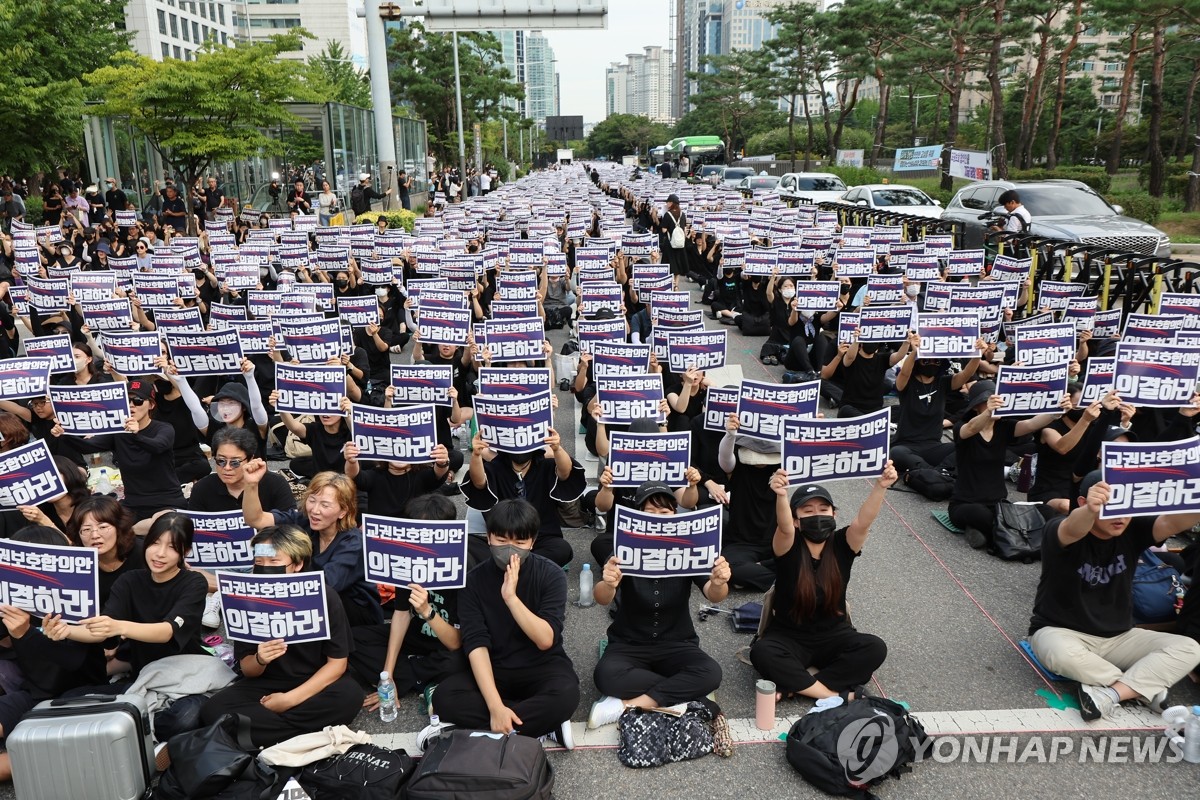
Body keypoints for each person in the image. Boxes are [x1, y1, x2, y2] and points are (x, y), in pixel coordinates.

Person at [1029, 471, 1200, 720]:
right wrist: (1091, 509)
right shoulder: (1059, 529)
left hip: (1120, 636)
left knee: (1190, 648)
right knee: (1058, 653)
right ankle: (1143, 688)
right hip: (1060, 631)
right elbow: (1072, 527)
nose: (1121, 516)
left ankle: (1112, 694)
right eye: (1111, 506)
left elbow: (1174, 522)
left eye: (1127, 507)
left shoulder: (1132, 529)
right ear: (1082, 503)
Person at [422, 500, 579, 750]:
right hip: (495, 668)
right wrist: (495, 706)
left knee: (566, 695)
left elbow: (545, 639)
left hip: (541, 665)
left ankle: (482, 730)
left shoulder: (551, 575)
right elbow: (475, 644)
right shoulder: (474, 580)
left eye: (519, 542)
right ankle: (539, 726)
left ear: (532, 542)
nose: (510, 548)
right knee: (445, 697)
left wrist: (511, 598)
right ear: (488, 537)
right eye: (502, 540)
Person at [44, 513, 212, 739]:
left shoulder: (193, 582)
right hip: (144, 677)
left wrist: (119, 626)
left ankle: (148, 730)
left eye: (172, 547)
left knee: (183, 718)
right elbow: (103, 628)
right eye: (154, 543)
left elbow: (166, 631)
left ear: (186, 552)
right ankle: (145, 726)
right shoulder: (130, 581)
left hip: (187, 676)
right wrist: (66, 630)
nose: (160, 553)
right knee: (68, 699)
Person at [197, 525, 362, 747]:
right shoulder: (245, 598)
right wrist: (260, 659)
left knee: (350, 696)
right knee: (213, 709)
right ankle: (301, 735)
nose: (265, 569)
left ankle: (253, 733)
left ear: (297, 564)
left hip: (315, 681)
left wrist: (289, 700)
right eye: (259, 563)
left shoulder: (324, 596)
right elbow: (247, 669)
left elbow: (337, 664)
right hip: (267, 684)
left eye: (274, 563)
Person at [586, 481, 730, 728]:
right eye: (649, 513)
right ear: (638, 517)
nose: (658, 519)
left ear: (675, 516)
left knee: (711, 672)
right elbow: (602, 598)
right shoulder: (624, 548)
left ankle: (626, 706)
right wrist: (608, 583)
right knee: (605, 675)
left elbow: (714, 595)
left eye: (665, 513)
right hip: (629, 644)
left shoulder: (689, 548)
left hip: (677, 643)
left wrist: (718, 581)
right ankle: (680, 692)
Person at [749, 465, 897, 702]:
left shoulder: (843, 544)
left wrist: (881, 486)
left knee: (874, 648)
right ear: (797, 520)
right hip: (789, 635)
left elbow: (863, 522)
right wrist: (781, 494)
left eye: (823, 509)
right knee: (763, 653)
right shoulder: (788, 544)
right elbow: (784, 527)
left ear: (834, 515)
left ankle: (795, 687)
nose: (816, 515)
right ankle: (835, 695)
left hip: (834, 634)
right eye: (807, 510)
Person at [0, 526, 110, 782]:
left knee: (23, 761)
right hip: (33, 693)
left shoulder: (83, 601)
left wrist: (26, 633)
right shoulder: (12, 601)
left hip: (80, 698)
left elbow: (71, 664)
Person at [351, 494, 466, 709]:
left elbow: (456, 642)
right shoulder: (409, 559)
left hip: (447, 642)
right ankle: (419, 678)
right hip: (417, 636)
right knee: (352, 641)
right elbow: (401, 614)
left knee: (461, 661)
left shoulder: (463, 568)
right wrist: (388, 675)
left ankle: (413, 675)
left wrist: (427, 611)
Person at [241, 462, 383, 626]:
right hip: (315, 598)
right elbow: (256, 519)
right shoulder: (305, 520)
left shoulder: (354, 543)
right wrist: (251, 484)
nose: (315, 510)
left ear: (343, 511)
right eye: (312, 500)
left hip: (354, 612)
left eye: (325, 505)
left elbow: (325, 586)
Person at [950, 380, 1066, 550]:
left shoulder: (1004, 427)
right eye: (988, 401)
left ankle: (993, 535)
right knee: (980, 514)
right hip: (965, 504)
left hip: (998, 505)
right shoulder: (963, 427)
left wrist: (1056, 411)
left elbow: (1030, 424)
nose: (995, 404)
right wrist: (988, 412)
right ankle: (1015, 539)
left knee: (1046, 512)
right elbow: (971, 428)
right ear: (976, 406)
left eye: (998, 400)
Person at [53, 379, 186, 521]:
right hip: (133, 504)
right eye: (126, 401)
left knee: (159, 524)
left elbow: (158, 446)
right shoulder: (118, 432)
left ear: (151, 405)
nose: (131, 405)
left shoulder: (164, 428)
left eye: (138, 401)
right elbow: (87, 447)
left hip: (166, 501)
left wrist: (136, 436)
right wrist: (65, 433)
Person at [463, 429, 585, 567]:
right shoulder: (495, 467)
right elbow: (479, 483)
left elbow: (565, 473)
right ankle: (528, 567)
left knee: (561, 549)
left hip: (540, 538)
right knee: (466, 545)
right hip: (501, 541)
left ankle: (507, 568)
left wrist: (557, 449)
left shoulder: (546, 465)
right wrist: (476, 454)